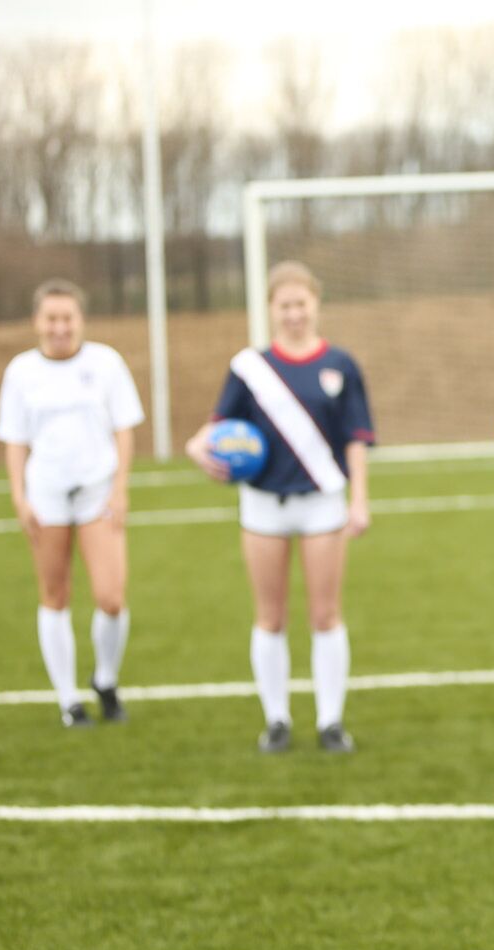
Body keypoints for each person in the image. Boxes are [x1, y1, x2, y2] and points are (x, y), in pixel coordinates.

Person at [184, 261, 373, 753]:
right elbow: (216, 426)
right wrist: (196, 449)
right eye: (284, 305)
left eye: (301, 304)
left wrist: (359, 499)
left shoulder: (341, 365)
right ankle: (277, 720)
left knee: (326, 614)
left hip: (322, 504)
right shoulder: (249, 367)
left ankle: (331, 722)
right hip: (264, 504)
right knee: (269, 616)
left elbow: (355, 439)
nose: (293, 313)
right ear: (271, 309)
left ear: (316, 305)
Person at [0, 279, 144, 727]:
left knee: (111, 597)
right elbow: (16, 441)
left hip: (97, 491)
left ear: (80, 320)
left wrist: (120, 487)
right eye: (51, 318)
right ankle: (69, 700)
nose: (60, 327)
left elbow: (124, 429)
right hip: (47, 495)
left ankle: (105, 678)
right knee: (55, 594)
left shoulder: (106, 363)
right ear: (38, 322)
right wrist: (20, 497)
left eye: (68, 318)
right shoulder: (21, 371)